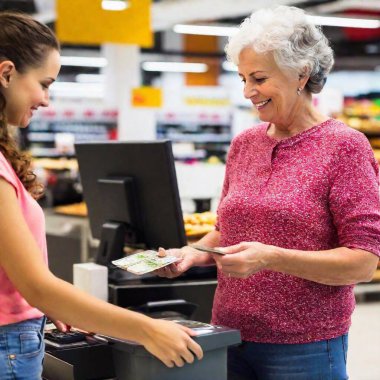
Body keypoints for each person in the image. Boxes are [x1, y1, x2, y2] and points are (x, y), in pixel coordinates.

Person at [157, 6, 380, 380]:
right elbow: (228, 229)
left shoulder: (345, 147)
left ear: (300, 74)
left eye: (258, 78)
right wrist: (193, 254)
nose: (247, 92)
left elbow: (363, 262)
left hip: (303, 345)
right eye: (243, 78)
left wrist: (272, 258)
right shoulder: (245, 144)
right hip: (228, 335)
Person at [0, 11, 203, 379]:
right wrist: (148, 330)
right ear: (7, 73)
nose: (46, 99)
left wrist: (44, 306)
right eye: (44, 84)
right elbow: (35, 284)